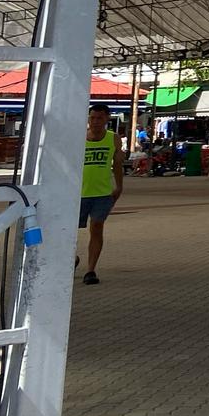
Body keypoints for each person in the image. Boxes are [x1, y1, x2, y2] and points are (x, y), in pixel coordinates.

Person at [79, 104, 124, 285]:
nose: (95, 122)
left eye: (99, 118)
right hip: (79, 193)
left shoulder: (113, 139)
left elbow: (118, 164)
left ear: (107, 119)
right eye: (92, 118)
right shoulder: (79, 138)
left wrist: (119, 187)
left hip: (103, 193)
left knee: (97, 227)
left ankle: (90, 269)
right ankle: (70, 257)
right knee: (68, 229)